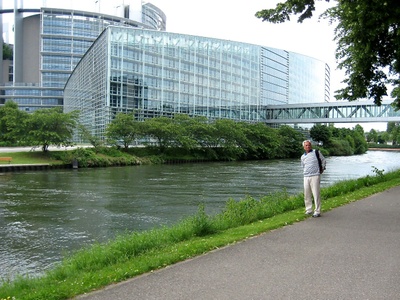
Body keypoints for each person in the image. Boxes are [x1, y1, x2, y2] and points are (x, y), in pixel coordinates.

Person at [301, 140, 326, 217]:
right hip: (306, 176)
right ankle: (308, 209)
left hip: (315, 175)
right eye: (306, 145)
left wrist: (322, 169)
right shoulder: (302, 156)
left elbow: (323, 160)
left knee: (316, 193)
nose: (308, 146)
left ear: (311, 145)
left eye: (309, 145)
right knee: (307, 194)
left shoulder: (316, 152)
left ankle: (317, 211)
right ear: (304, 147)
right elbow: (303, 166)